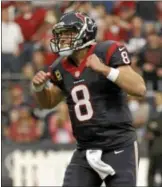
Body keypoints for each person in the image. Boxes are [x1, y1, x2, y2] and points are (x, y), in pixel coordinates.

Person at [32, 11, 146, 187]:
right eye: (60, 35)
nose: (62, 39)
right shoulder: (60, 67)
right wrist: (39, 88)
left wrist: (105, 70)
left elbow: (139, 88)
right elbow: (48, 102)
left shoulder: (107, 50)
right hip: (85, 149)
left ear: (84, 32)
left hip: (119, 145)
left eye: (67, 33)